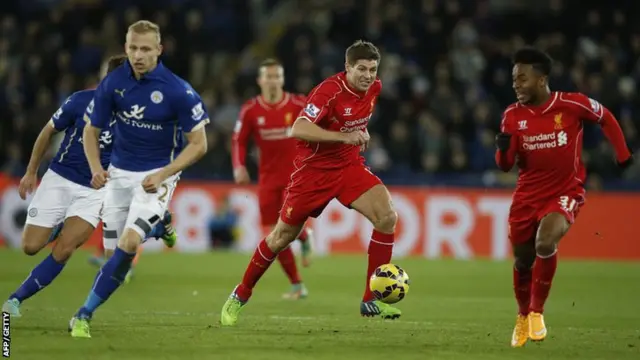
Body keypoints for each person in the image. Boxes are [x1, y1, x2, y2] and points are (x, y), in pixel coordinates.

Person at [221, 40, 401, 326]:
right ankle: (240, 294)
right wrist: (345, 137)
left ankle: (371, 301)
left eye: (372, 69)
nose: (368, 75)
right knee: (280, 237)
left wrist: (359, 132)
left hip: (349, 167)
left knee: (387, 217)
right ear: (347, 67)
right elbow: (299, 128)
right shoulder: (328, 91)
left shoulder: (375, 88)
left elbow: (353, 119)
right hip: (313, 173)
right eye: (361, 69)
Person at [1, 55, 174, 318]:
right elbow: (47, 132)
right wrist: (31, 171)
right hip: (59, 179)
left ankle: (15, 300)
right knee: (30, 246)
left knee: (67, 250)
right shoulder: (79, 101)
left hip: (95, 191)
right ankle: (152, 227)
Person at [68, 20, 210, 338]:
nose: (138, 55)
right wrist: (95, 168)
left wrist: (163, 174)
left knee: (129, 244)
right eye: (132, 48)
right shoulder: (113, 84)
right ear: (125, 48)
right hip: (118, 177)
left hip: (156, 177)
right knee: (113, 260)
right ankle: (158, 225)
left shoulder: (177, 90)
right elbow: (91, 131)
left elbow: (200, 144)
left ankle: (83, 315)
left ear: (159, 50)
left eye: (145, 48)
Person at [495, 47, 633, 347]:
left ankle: (537, 311)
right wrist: (503, 148)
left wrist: (622, 154)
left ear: (541, 79)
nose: (516, 84)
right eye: (513, 79)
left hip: (564, 191)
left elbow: (606, 117)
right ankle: (522, 316)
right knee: (522, 261)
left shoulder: (571, 104)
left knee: (545, 241)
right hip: (526, 197)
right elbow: (505, 165)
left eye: (522, 78)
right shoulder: (512, 116)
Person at [232, 58, 315, 300]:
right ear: (260, 80)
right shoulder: (250, 110)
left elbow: (321, 122)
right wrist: (238, 166)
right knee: (272, 235)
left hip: (295, 178)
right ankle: (298, 284)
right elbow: (238, 140)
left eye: (276, 76)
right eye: (268, 77)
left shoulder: (298, 104)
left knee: (283, 228)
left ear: (282, 79)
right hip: (267, 180)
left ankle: (302, 239)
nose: (272, 81)